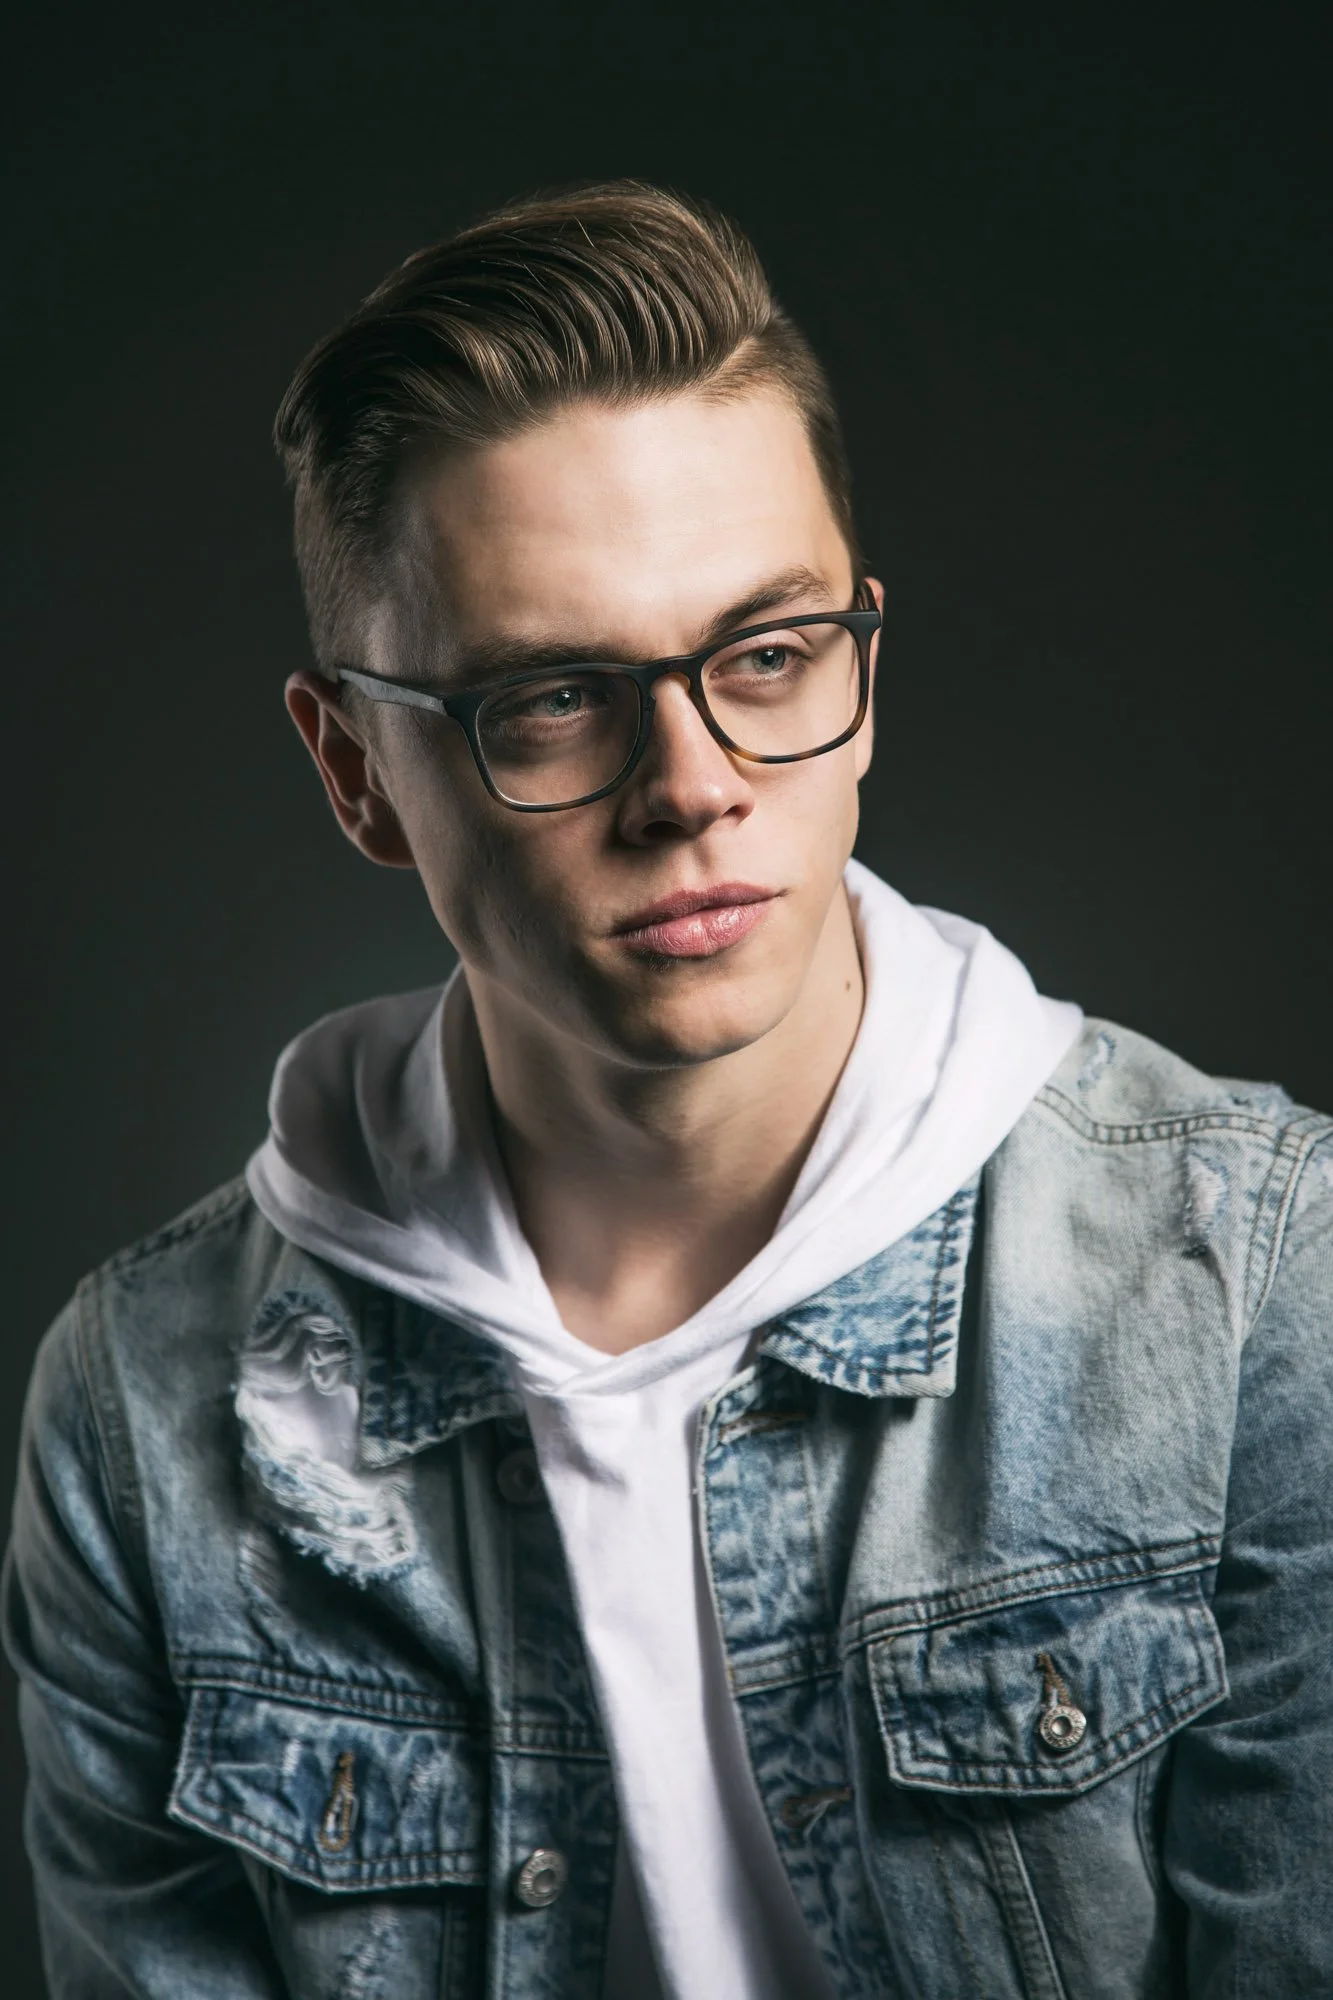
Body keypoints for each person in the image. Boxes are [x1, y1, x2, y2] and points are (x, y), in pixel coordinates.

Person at [5, 182, 1332, 2000]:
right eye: (553, 697)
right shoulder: (135, 1417)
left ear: (861, 667)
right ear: (359, 772)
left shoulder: (1263, 1286)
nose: (694, 783)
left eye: (768, 656)